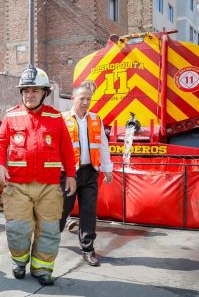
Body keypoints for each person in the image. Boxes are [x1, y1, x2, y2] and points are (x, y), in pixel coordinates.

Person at [0, 66, 77, 286]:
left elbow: (66, 148)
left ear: (44, 93)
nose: (29, 95)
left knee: (49, 229)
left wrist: (71, 174)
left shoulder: (55, 117)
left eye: (34, 90)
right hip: (17, 185)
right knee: (18, 229)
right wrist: (0, 165)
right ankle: (19, 262)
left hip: (49, 185)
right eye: (25, 91)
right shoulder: (12, 116)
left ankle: (42, 268)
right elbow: (1, 143)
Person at [59, 82, 113, 267]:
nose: (86, 102)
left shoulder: (96, 119)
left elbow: (103, 145)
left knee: (89, 212)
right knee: (62, 210)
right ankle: (50, 242)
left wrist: (107, 168)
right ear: (73, 99)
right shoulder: (62, 119)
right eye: (82, 98)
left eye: (89, 99)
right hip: (69, 173)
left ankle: (88, 249)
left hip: (90, 172)